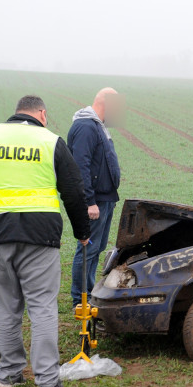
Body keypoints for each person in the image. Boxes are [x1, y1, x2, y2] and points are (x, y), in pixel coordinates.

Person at [0, 95, 91, 387]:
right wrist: (82, 231)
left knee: (6, 309)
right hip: (41, 237)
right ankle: (48, 380)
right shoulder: (51, 142)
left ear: (16, 113)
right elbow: (74, 192)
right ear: (41, 113)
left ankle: (9, 375)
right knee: (42, 307)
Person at [68, 87, 123, 307]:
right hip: (95, 201)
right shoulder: (85, 127)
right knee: (87, 249)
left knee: (96, 248)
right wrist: (89, 201)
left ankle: (89, 294)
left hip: (105, 199)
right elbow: (80, 166)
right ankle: (79, 299)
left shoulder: (98, 126)